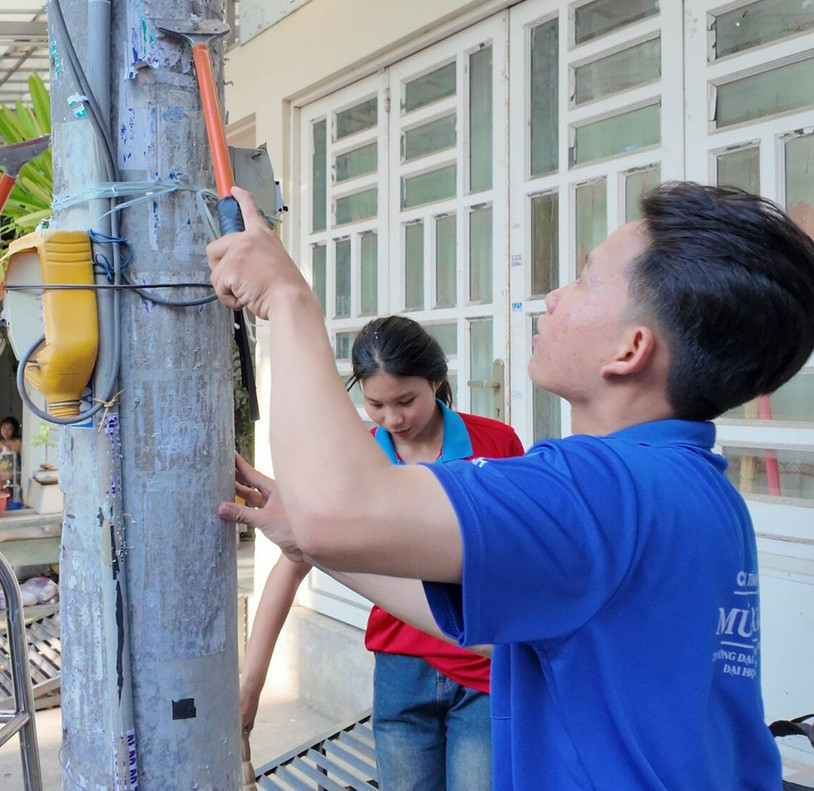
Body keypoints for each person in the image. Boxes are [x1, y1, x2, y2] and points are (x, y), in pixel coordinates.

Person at [210, 183, 814, 789]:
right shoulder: (700, 490)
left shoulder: (600, 486)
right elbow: (478, 621)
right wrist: (307, 540)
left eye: (583, 279)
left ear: (630, 349)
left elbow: (336, 510)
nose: (552, 297)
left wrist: (287, 299)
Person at [240, 316, 521, 790]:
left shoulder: (496, 444)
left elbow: (523, 554)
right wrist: (251, 685)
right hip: (399, 666)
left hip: (484, 667)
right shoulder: (354, 463)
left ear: (436, 380)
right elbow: (291, 565)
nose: (393, 419)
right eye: (375, 404)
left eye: (407, 401)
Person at [0, 415, 23, 492]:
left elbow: (24, 459)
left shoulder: (18, 443)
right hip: (1, 478)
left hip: (14, 477)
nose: (6, 431)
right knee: (1, 498)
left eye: (9, 429)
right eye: (4, 428)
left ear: (14, 430)